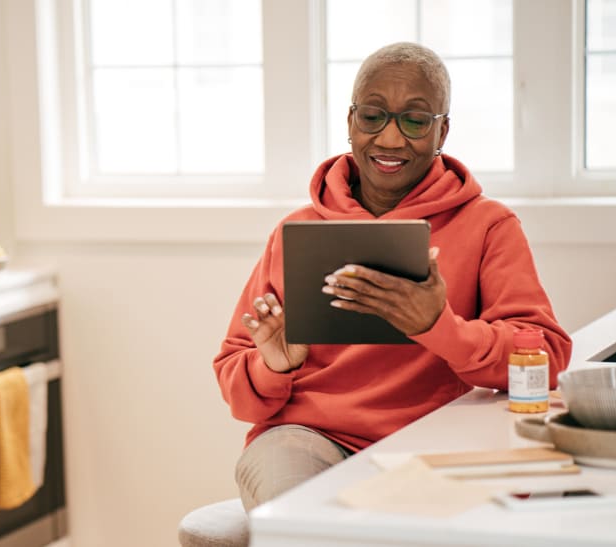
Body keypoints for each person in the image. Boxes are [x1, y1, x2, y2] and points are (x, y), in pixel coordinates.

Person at [213, 42, 572, 512]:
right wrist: (275, 365)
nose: (389, 139)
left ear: (442, 131)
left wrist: (438, 327)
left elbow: (543, 355)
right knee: (300, 521)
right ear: (350, 123)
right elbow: (239, 390)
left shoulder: (489, 225)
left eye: (416, 120)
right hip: (306, 439)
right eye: (373, 116)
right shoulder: (295, 231)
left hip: (440, 438)